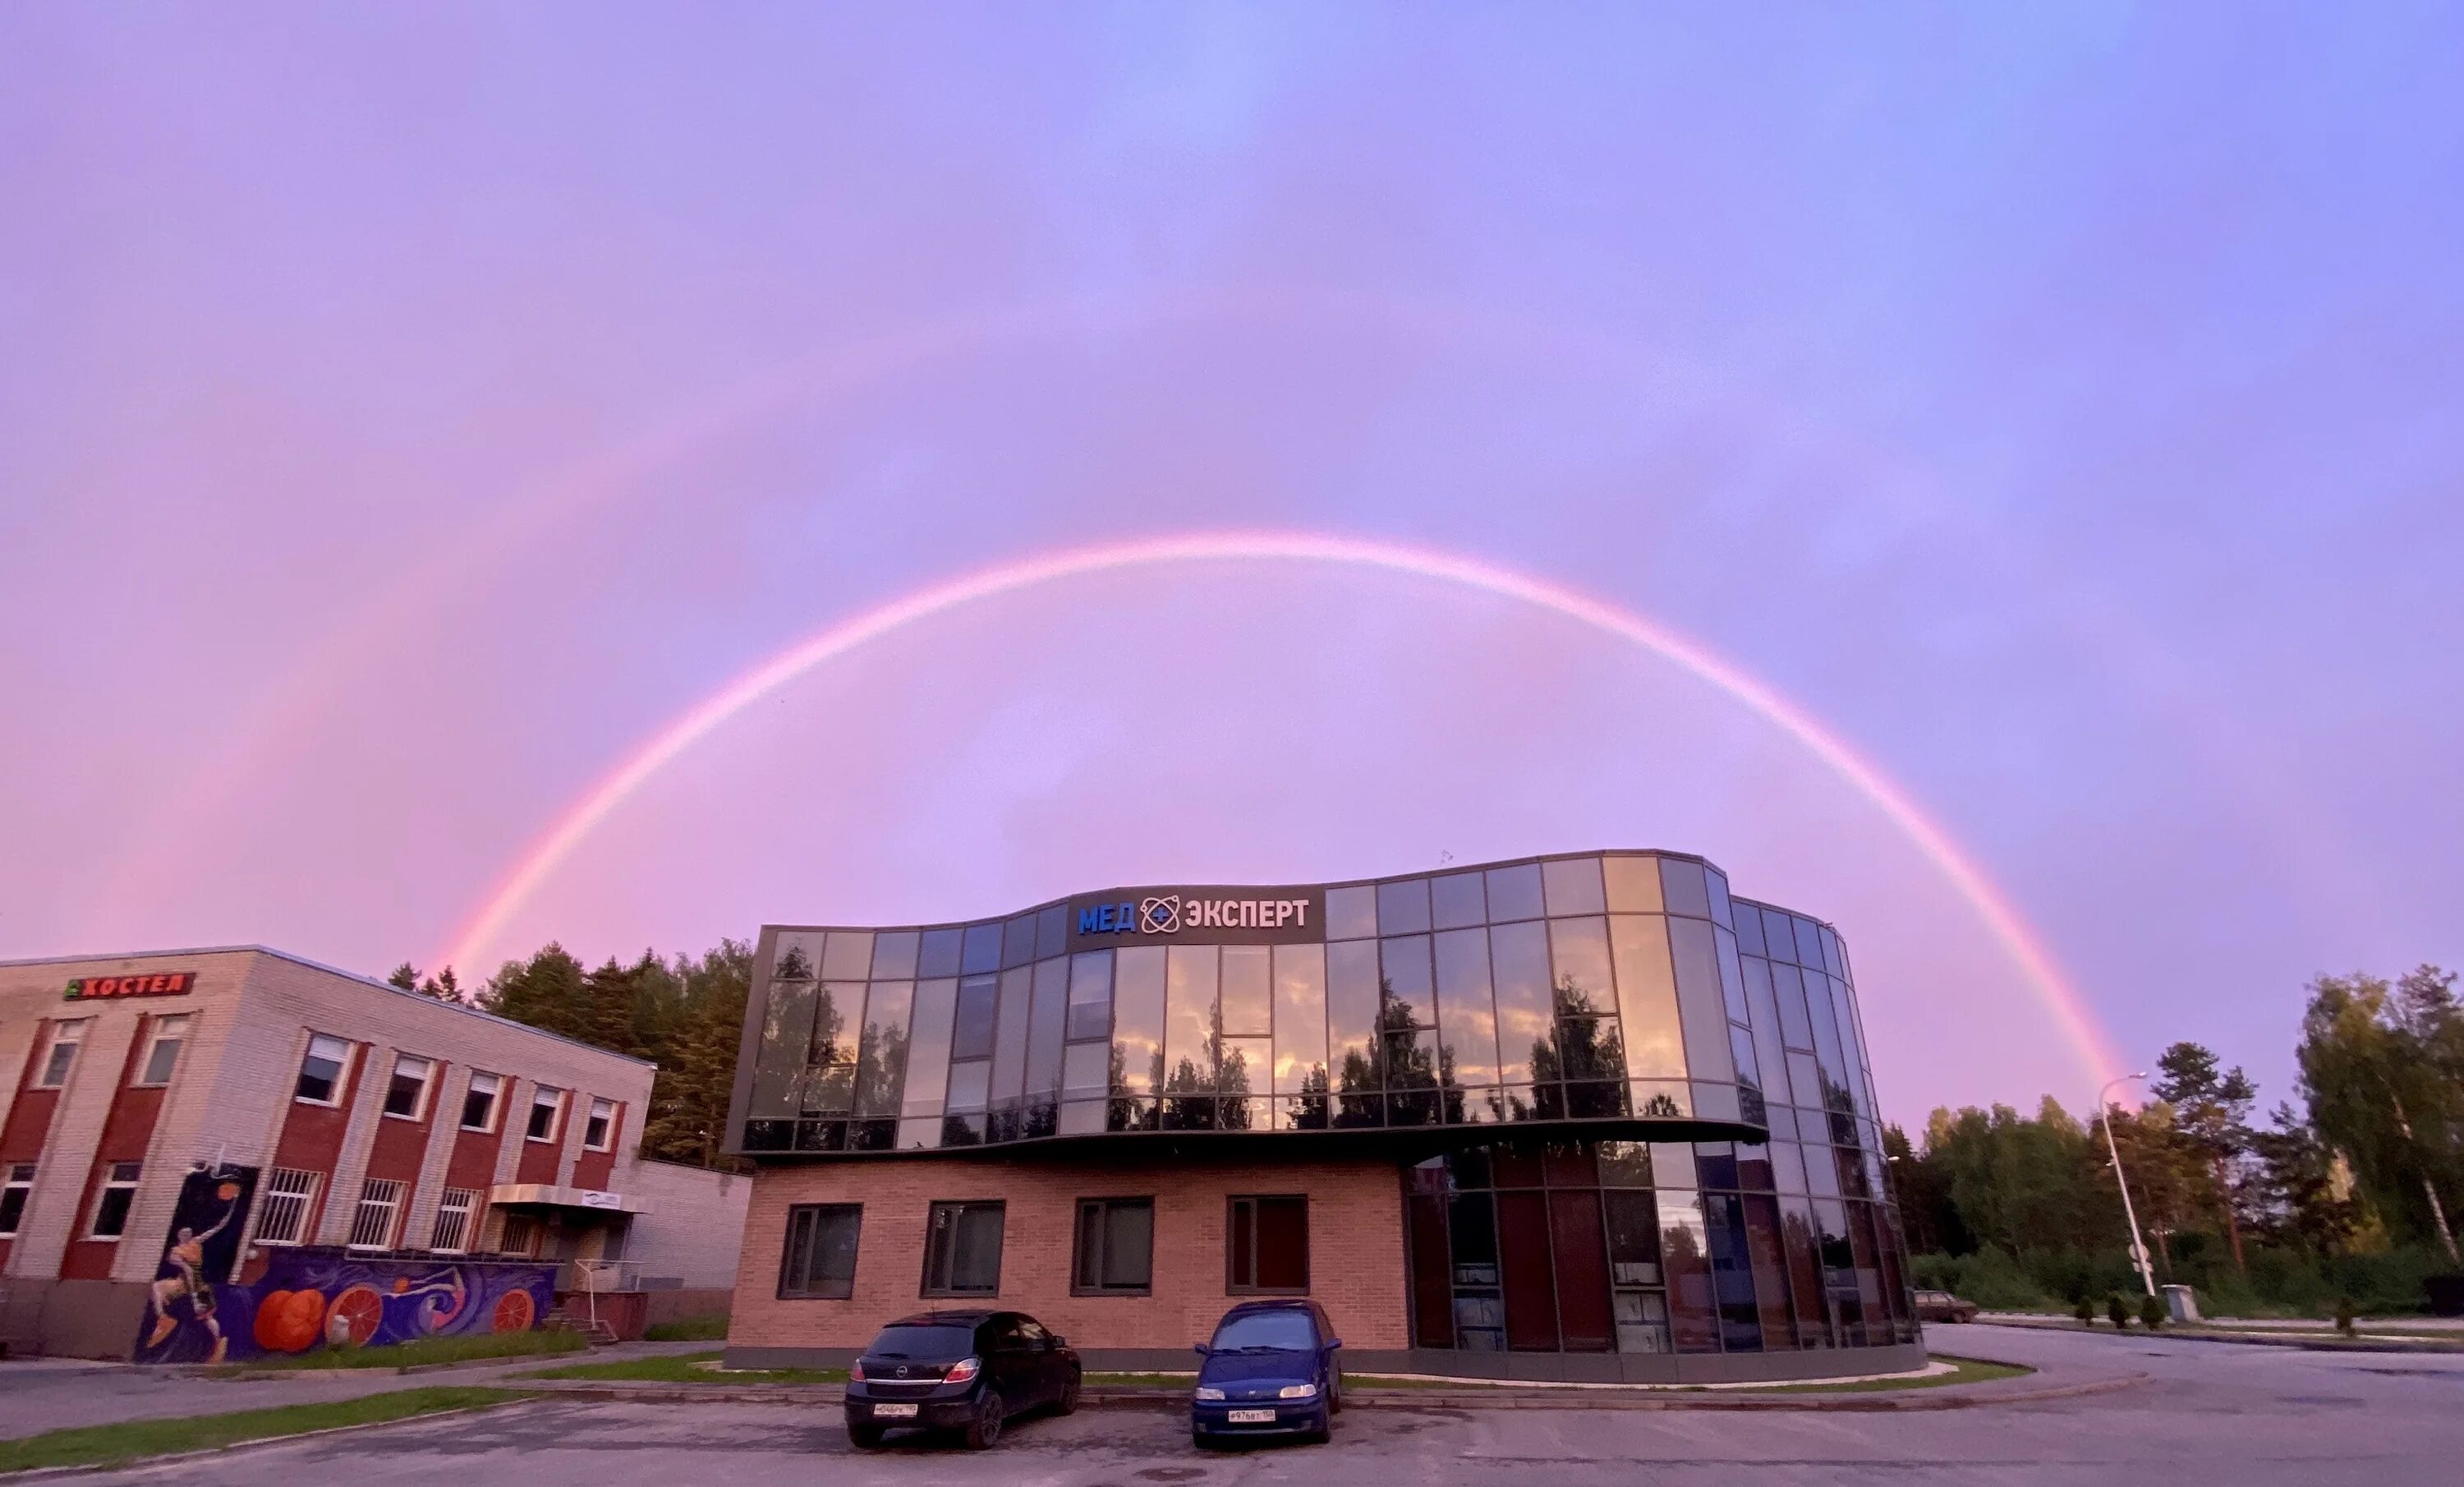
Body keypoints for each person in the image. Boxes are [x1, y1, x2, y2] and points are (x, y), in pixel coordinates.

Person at [146, 1195, 236, 1359]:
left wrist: (223, 1222)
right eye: (184, 1233)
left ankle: (217, 1343)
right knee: (157, 1287)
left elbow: (211, 1233)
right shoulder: (185, 1247)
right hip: (192, 1284)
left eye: (187, 1234)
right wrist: (222, 1223)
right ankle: (164, 1318)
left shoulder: (187, 1247)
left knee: (207, 1315)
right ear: (181, 1236)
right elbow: (211, 1233)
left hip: (191, 1285)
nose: (187, 1236)